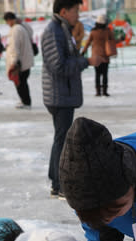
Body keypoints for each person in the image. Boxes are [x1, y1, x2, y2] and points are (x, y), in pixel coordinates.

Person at [41, 0, 104, 198]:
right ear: (64, 11)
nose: (78, 14)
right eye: (76, 10)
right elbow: (57, 66)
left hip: (63, 93)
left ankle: (56, 181)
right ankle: (59, 184)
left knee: (60, 137)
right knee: (62, 139)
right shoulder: (54, 31)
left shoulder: (63, 29)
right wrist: (86, 61)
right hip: (59, 95)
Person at [4, 12, 34, 109]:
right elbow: (31, 32)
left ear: (9, 20)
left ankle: (26, 102)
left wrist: (13, 62)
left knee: (20, 82)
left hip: (20, 62)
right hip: (25, 60)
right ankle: (25, 100)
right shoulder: (22, 27)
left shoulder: (16, 30)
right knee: (22, 82)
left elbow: (14, 47)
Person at [82, 14, 114, 96]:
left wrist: (83, 52)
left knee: (97, 74)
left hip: (95, 56)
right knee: (105, 74)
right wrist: (121, 39)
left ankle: (98, 91)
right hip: (105, 56)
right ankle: (105, 91)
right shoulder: (108, 31)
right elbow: (113, 42)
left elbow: (88, 43)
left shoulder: (93, 32)